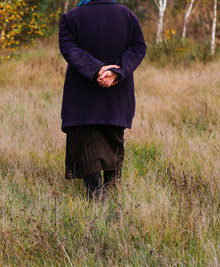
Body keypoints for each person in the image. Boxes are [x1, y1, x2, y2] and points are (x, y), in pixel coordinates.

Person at [59, 0, 146, 199]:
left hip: (82, 93)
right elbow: (138, 47)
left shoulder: (71, 17)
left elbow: (69, 49)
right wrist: (116, 72)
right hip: (117, 91)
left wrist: (97, 69)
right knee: (114, 138)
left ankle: (96, 197)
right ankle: (110, 193)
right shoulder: (127, 15)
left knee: (86, 140)